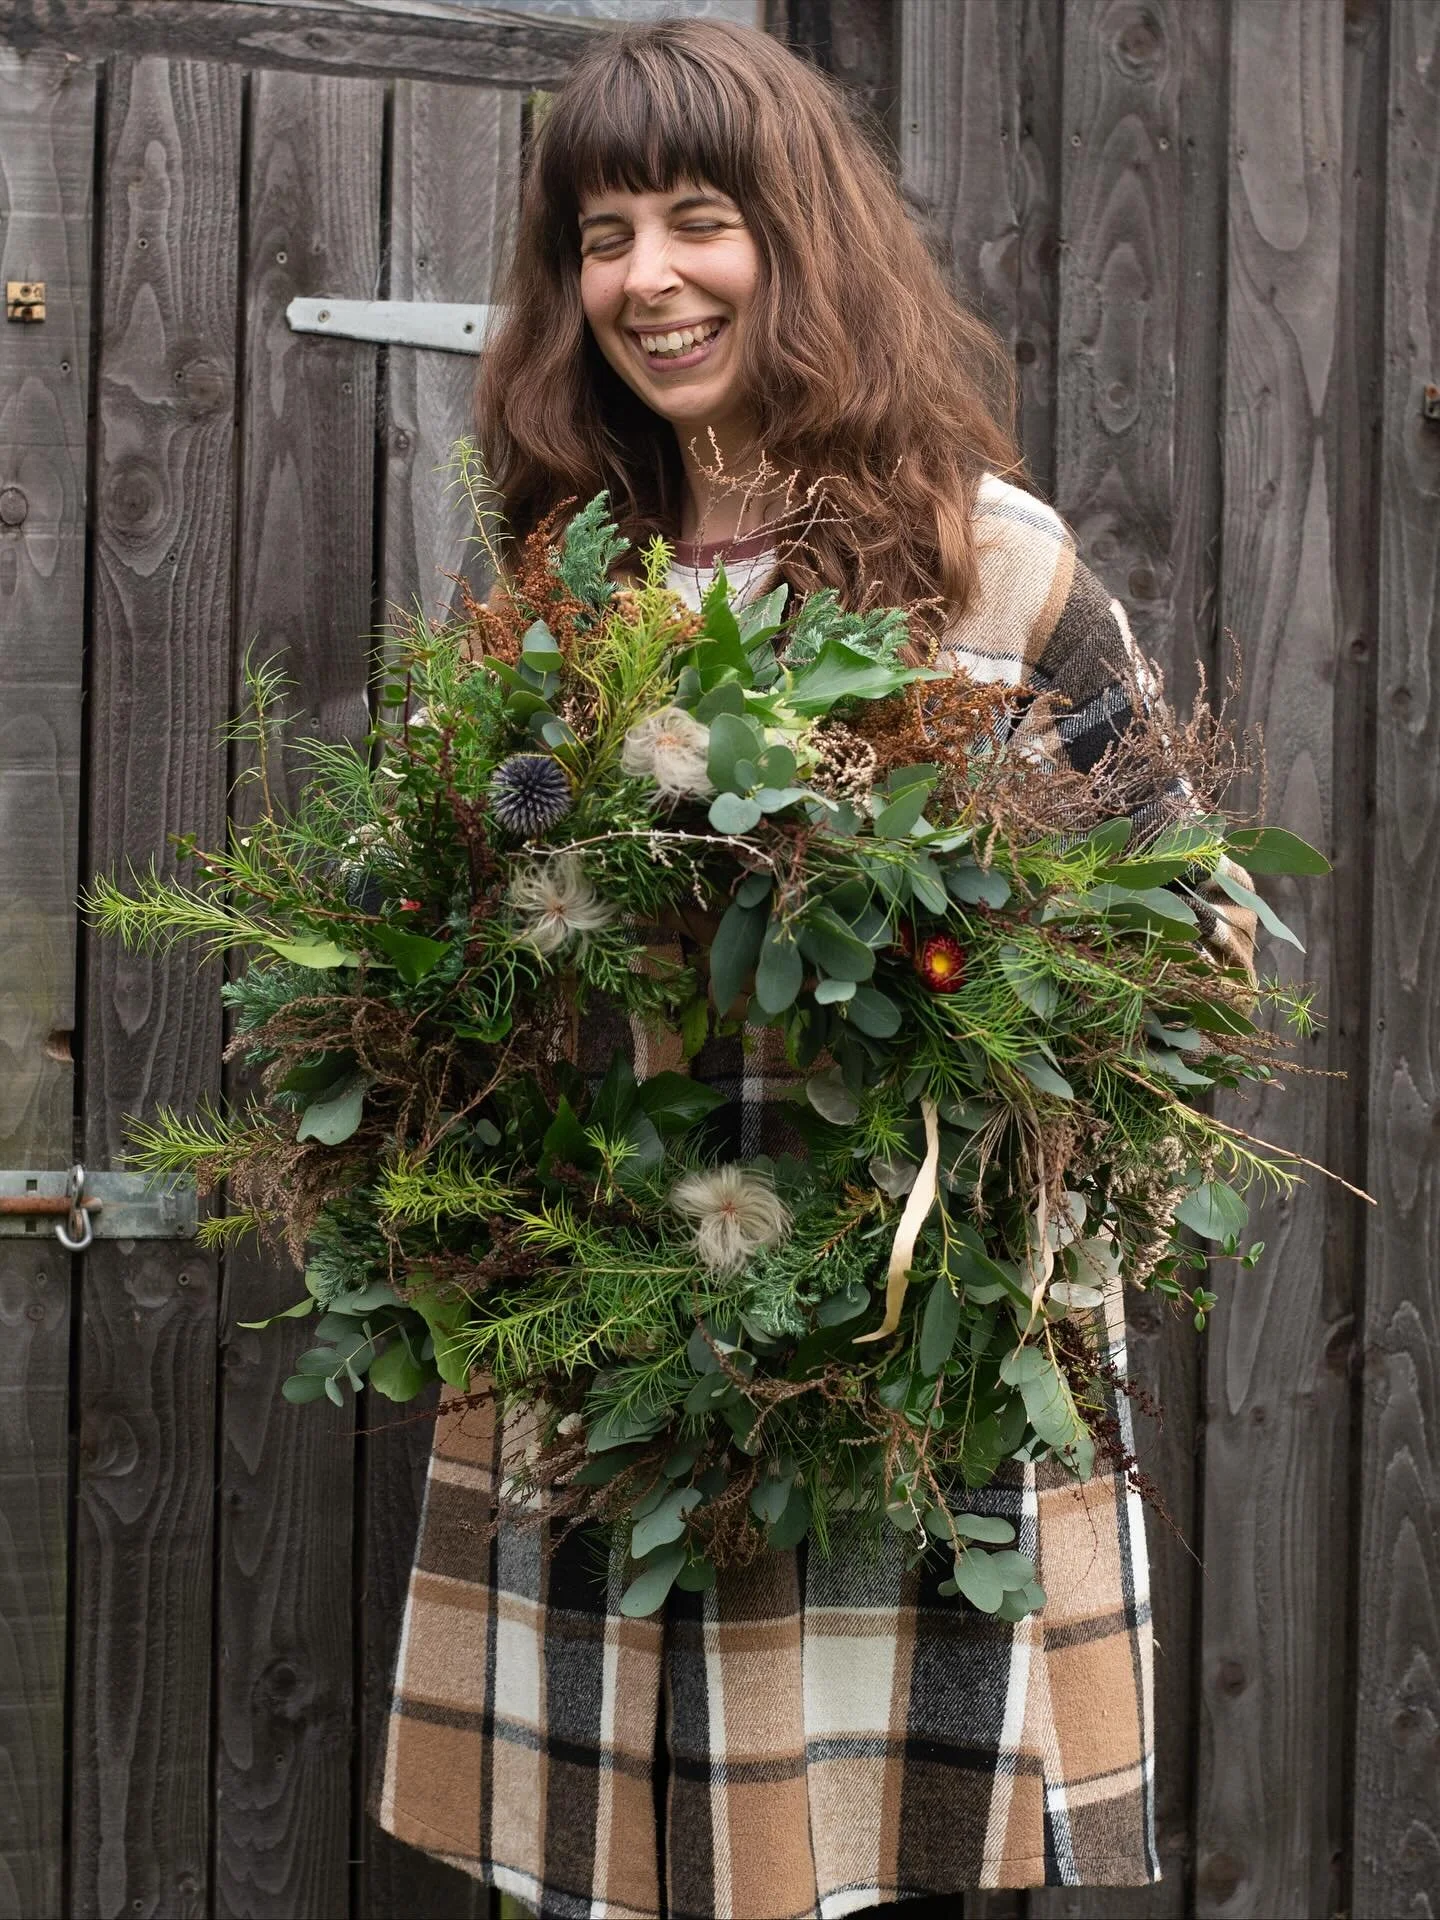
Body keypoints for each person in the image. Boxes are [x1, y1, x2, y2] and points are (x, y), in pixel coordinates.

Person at [373, 19, 1256, 1916]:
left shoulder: (985, 570)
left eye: (701, 220)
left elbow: (1202, 946)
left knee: (878, 1879)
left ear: (805, 243)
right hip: (610, 1346)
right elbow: (451, 951)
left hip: (884, 1381)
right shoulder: (552, 585)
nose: (645, 279)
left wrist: (994, 1127)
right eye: (602, 234)